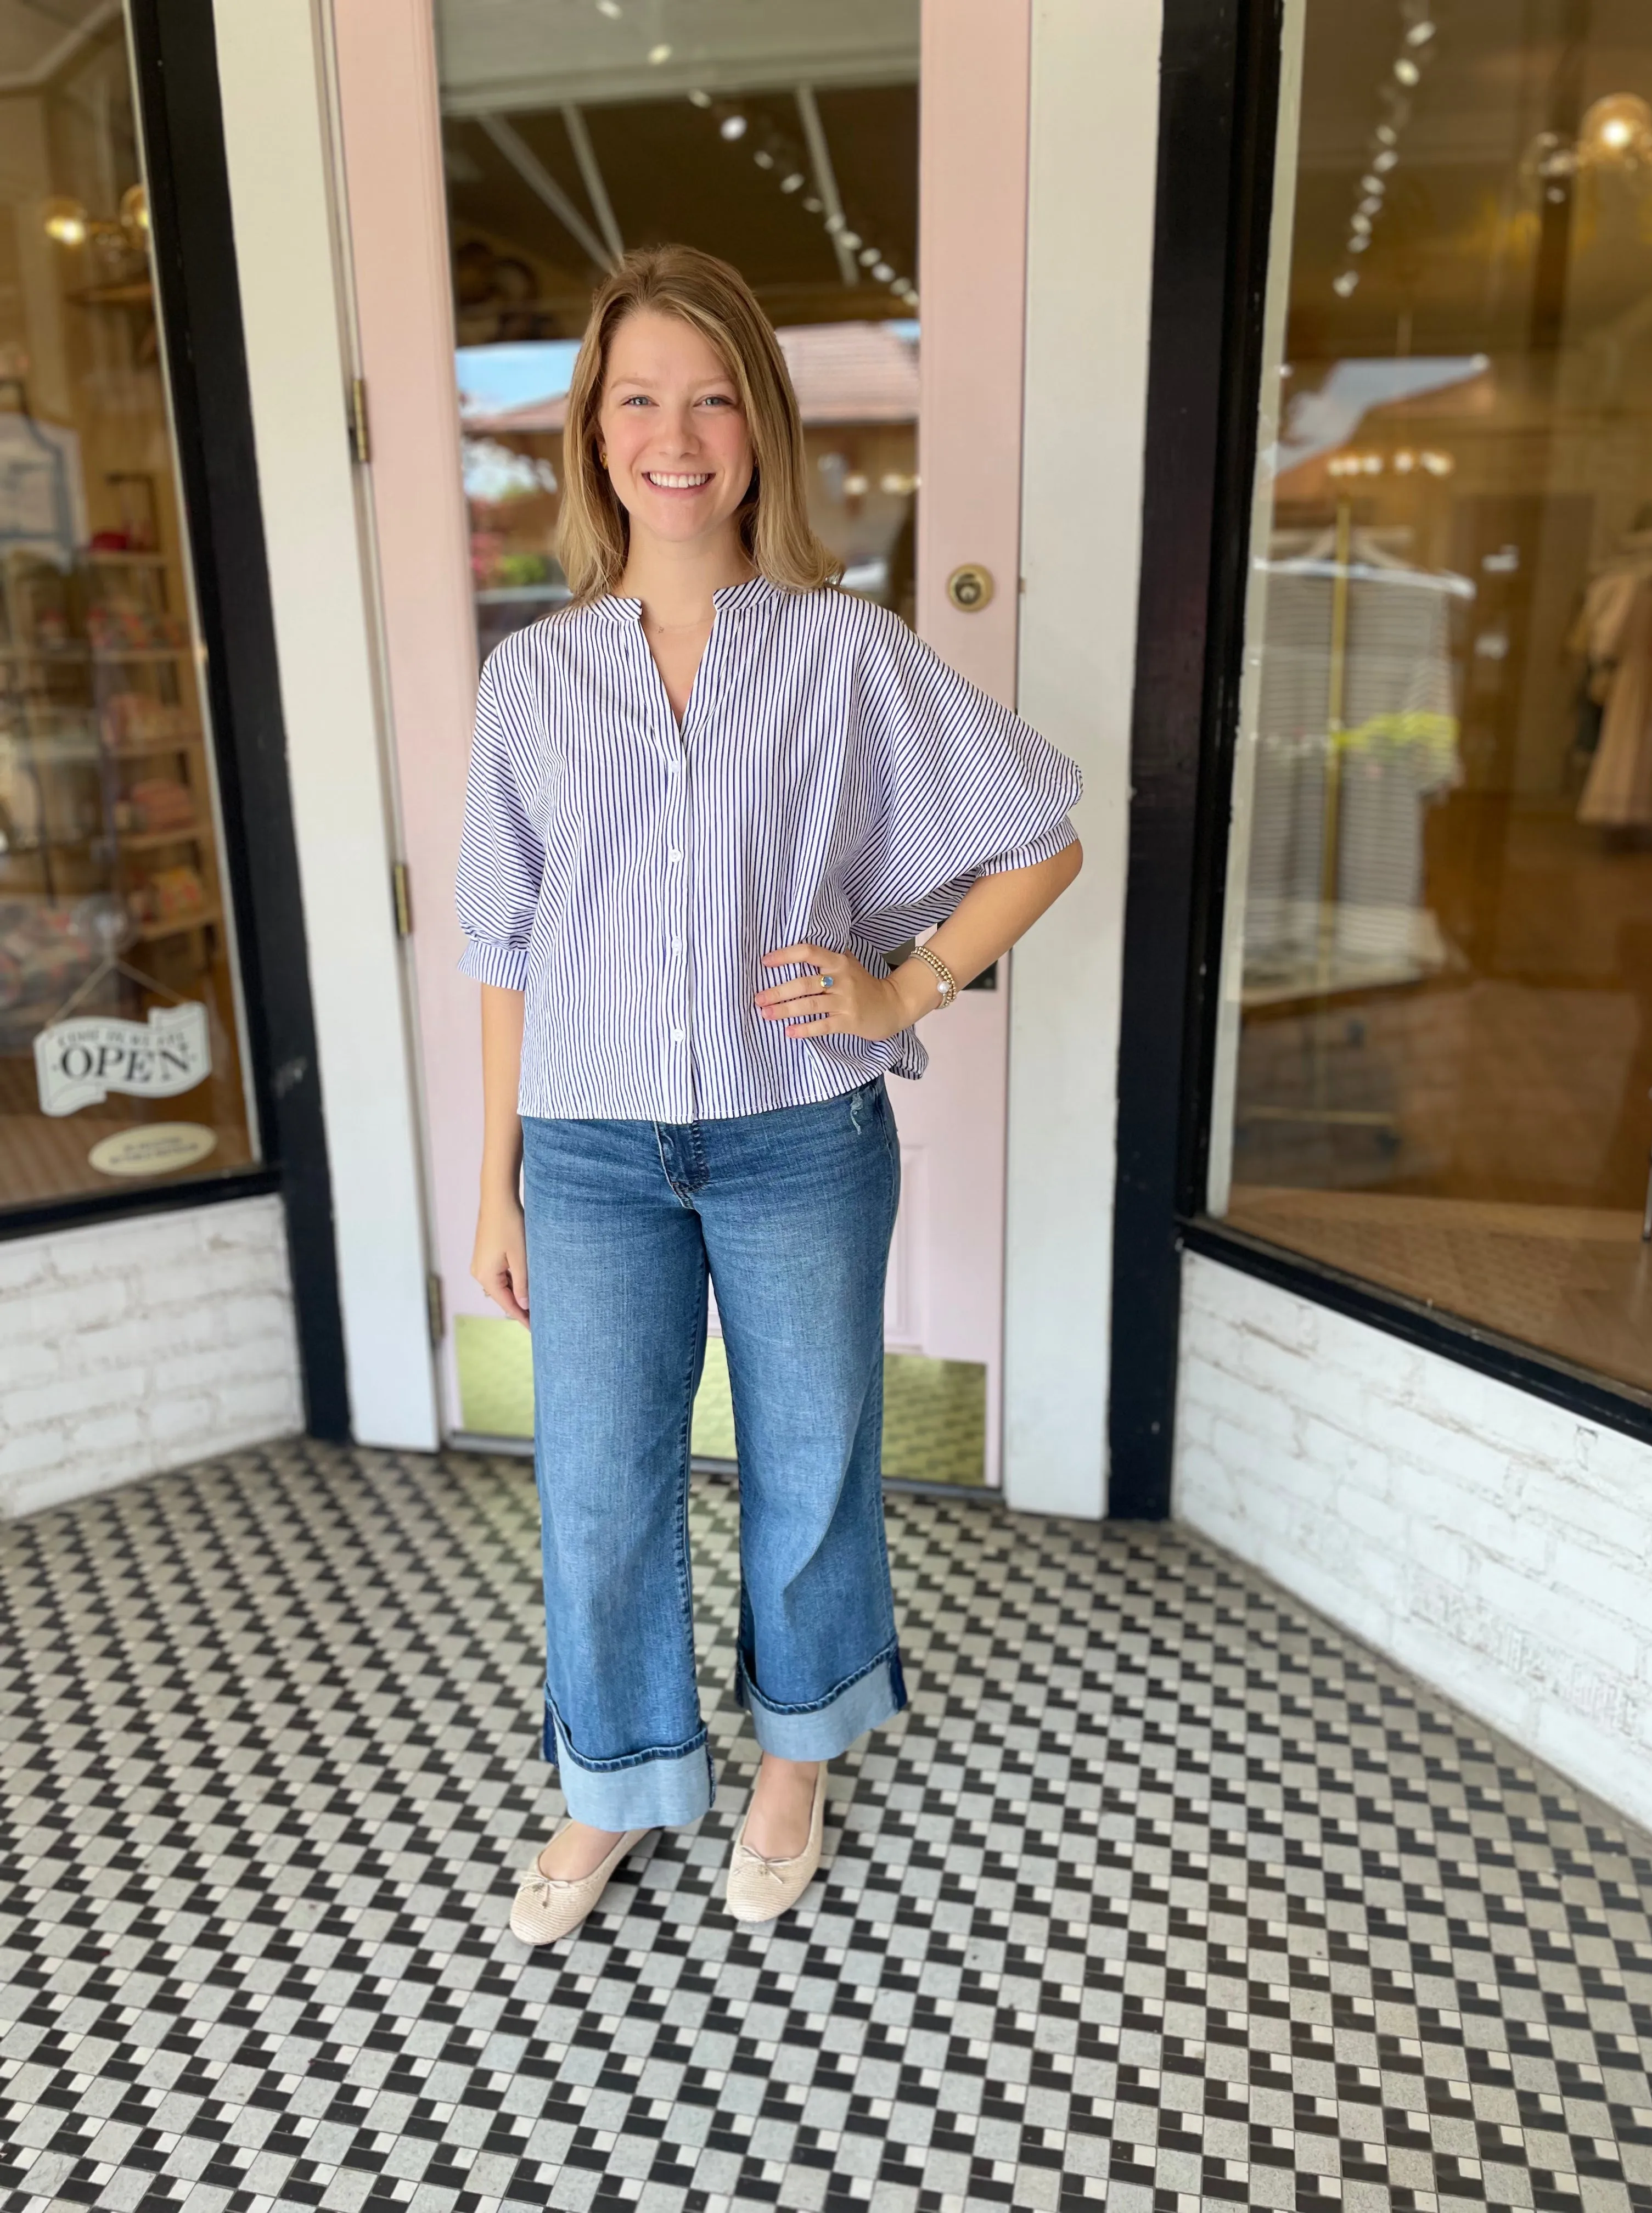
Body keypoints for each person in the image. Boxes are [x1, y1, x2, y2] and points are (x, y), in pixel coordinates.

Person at [457, 245, 1082, 1944]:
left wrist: (906, 985)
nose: (678, 432)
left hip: (799, 1136)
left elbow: (1040, 836)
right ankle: (616, 1784)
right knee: (597, 1483)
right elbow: (501, 945)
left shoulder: (842, 652)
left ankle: (796, 1759)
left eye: (715, 395)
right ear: (593, 435)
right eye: (640, 397)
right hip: (589, 1150)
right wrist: (496, 1177)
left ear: (762, 430)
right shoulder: (533, 677)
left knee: (812, 1462)